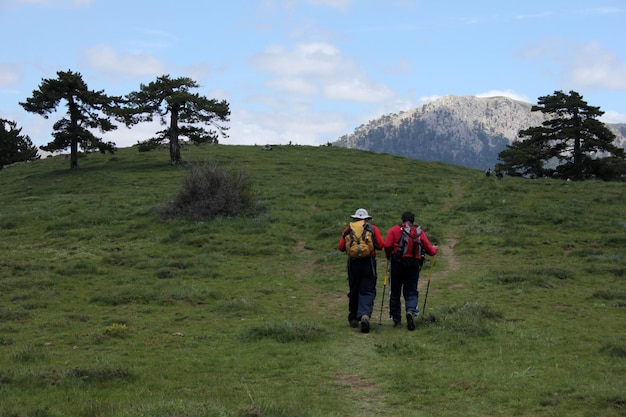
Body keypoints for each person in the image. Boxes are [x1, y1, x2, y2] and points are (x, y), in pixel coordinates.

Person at [384, 211, 438, 331]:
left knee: (395, 292)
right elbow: (430, 250)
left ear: (402, 219)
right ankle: (410, 311)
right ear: (413, 221)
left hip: (397, 264)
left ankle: (397, 320)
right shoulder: (418, 232)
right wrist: (435, 249)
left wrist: (388, 255)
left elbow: (387, 245)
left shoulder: (394, 230)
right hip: (413, 265)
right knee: (411, 291)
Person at [338, 208, 385, 333]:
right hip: (368, 263)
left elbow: (341, 247)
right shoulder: (372, 229)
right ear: (367, 218)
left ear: (354, 218)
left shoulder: (348, 229)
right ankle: (364, 315)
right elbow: (380, 245)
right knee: (368, 290)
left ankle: (353, 317)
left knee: (354, 289)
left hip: (353, 263)